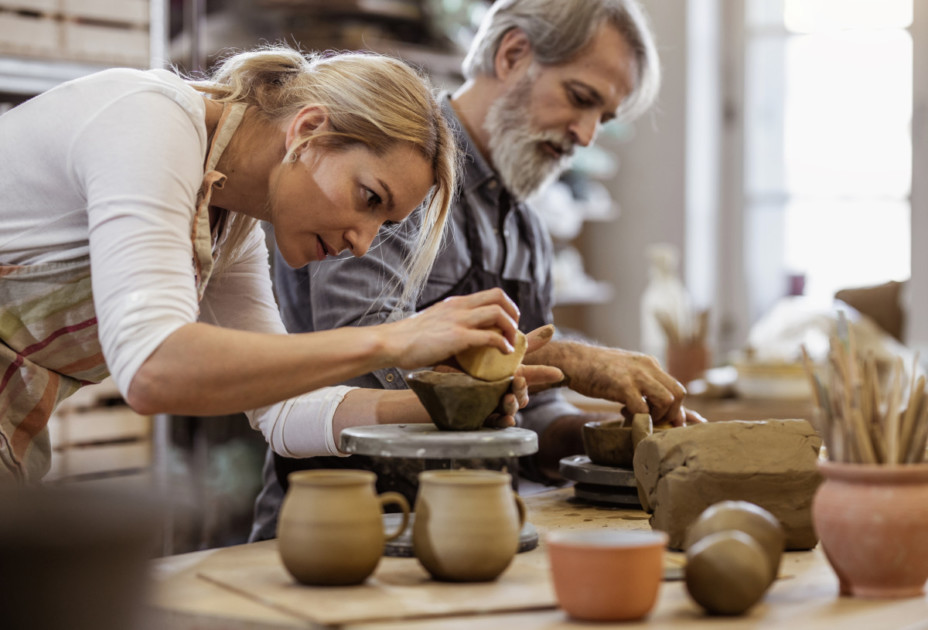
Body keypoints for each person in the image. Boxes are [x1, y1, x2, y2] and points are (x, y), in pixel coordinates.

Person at [0, 45, 564, 484]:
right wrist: (394, 341)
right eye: (370, 198)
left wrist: (443, 408)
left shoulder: (231, 221)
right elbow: (153, 369)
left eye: (384, 225)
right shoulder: (148, 123)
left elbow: (281, 415)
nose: (364, 243)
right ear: (309, 131)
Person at [248, 0, 705, 541]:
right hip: (344, 529)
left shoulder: (526, 229)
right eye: (580, 99)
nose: (585, 136)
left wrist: (607, 440)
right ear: (512, 54)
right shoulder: (395, 174)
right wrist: (564, 356)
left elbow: (526, 413)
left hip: (470, 531)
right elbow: (362, 353)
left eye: (602, 119)